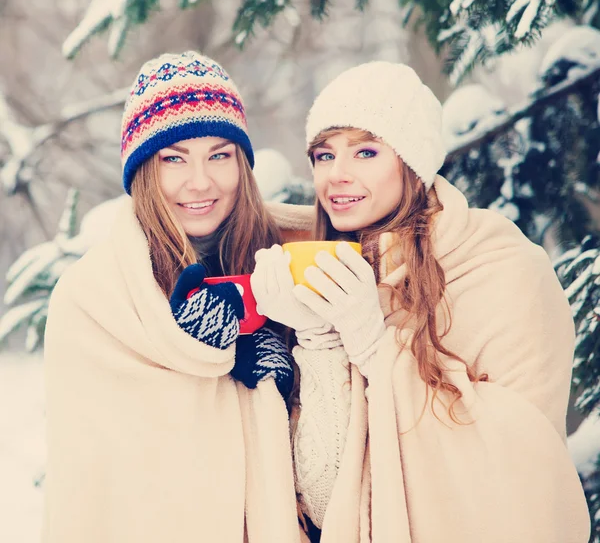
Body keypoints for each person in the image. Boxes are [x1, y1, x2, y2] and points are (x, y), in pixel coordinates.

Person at [251, 61, 591, 542]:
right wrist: (319, 336)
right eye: (324, 156)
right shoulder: (309, 264)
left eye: (365, 151)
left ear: (411, 160)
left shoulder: (501, 269)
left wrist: (374, 347)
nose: (337, 176)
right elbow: (326, 500)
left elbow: (521, 470)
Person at [42, 51, 310, 543]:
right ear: (144, 169)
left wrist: (295, 370)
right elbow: (101, 483)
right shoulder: (91, 299)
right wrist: (205, 360)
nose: (200, 182)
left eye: (219, 155)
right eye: (174, 158)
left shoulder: (291, 258)